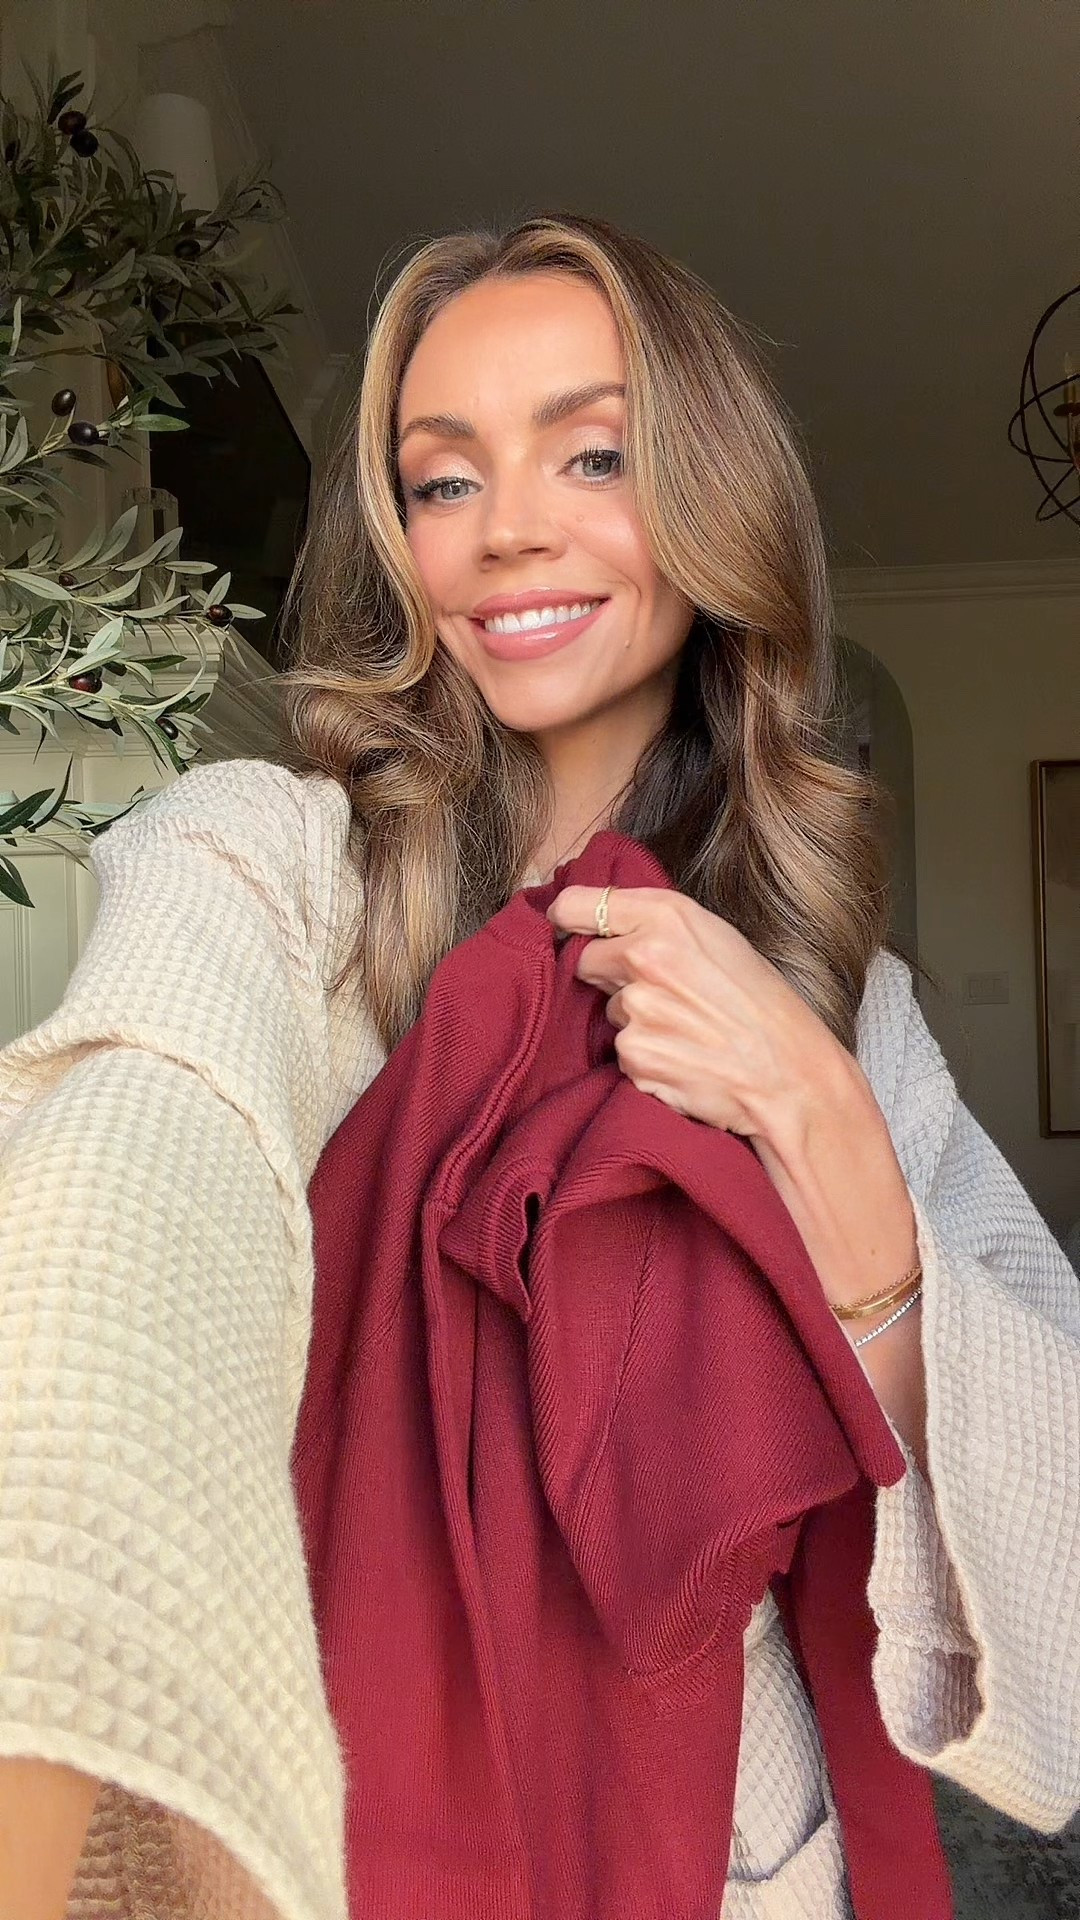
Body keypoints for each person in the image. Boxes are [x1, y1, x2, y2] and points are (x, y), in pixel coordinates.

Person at [0, 210, 1076, 1920]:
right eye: (443, 479)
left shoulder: (847, 1009)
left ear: (715, 497)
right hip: (330, 1840)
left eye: (594, 454)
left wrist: (826, 1136)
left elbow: (1052, 1569)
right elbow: (114, 1221)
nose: (508, 528)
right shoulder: (265, 866)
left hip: (731, 1859)